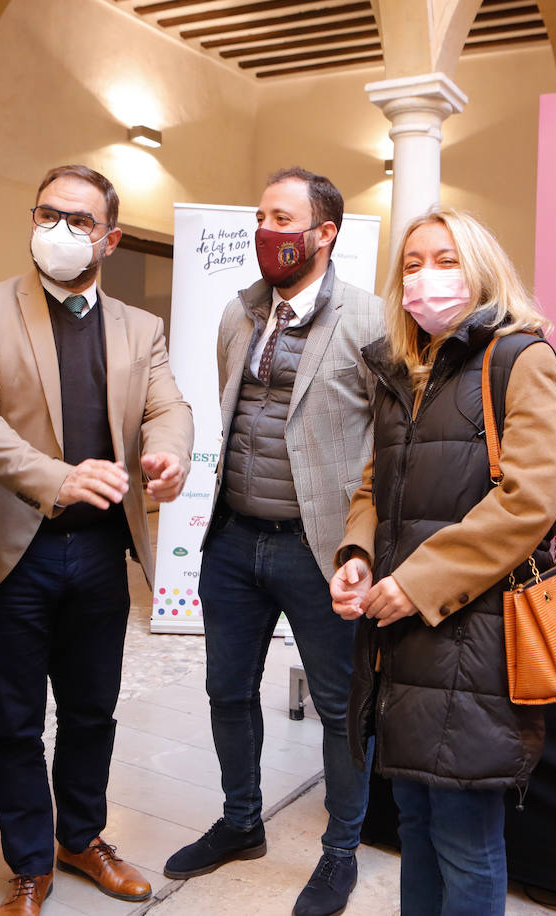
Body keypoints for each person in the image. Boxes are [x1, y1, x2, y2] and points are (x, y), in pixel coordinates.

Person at [0, 164, 193, 915]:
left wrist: (169, 450)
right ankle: (29, 861)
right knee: (14, 722)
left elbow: (168, 405)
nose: (60, 230)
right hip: (11, 551)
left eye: (80, 220)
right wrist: (58, 478)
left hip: (98, 554)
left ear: (110, 239)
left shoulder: (138, 327)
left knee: (92, 710)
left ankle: (81, 838)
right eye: (48, 212)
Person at [330, 207, 556, 916]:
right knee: (414, 824)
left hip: (474, 635)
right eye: (411, 263)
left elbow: (530, 501)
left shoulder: (519, 358)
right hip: (399, 632)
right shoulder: (405, 370)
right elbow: (378, 481)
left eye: (444, 259)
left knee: (466, 838)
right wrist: (357, 553)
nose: (426, 276)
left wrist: (417, 581)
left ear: (480, 268)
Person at [164, 168, 383, 916]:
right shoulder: (238, 313)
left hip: (316, 548)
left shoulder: (369, 320)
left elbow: (388, 448)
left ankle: (340, 851)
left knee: (337, 705)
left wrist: (364, 545)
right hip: (232, 541)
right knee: (228, 689)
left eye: (282, 217)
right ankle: (240, 820)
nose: (267, 230)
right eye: (261, 216)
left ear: (324, 234)